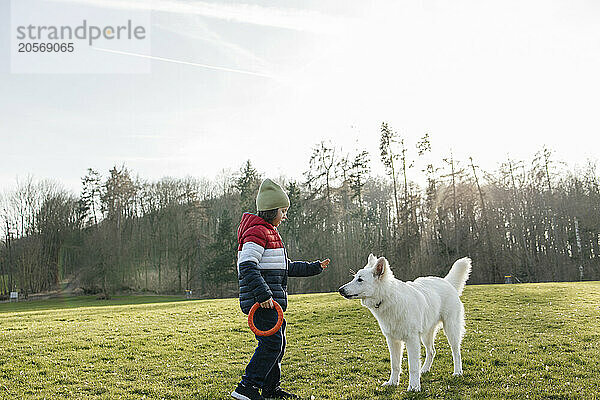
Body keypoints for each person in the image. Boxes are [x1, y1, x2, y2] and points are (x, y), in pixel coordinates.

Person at [232, 178, 330, 400]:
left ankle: (270, 389)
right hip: (262, 303)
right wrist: (263, 294)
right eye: (283, 211)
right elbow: (246, 265)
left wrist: (314, 268)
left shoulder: (269, 233)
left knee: (278, 343)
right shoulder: (256, 232)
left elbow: (285, 267)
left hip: (271, 303)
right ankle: (246, 387)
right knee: (272, 344)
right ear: (271, 210)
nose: (285, 216)